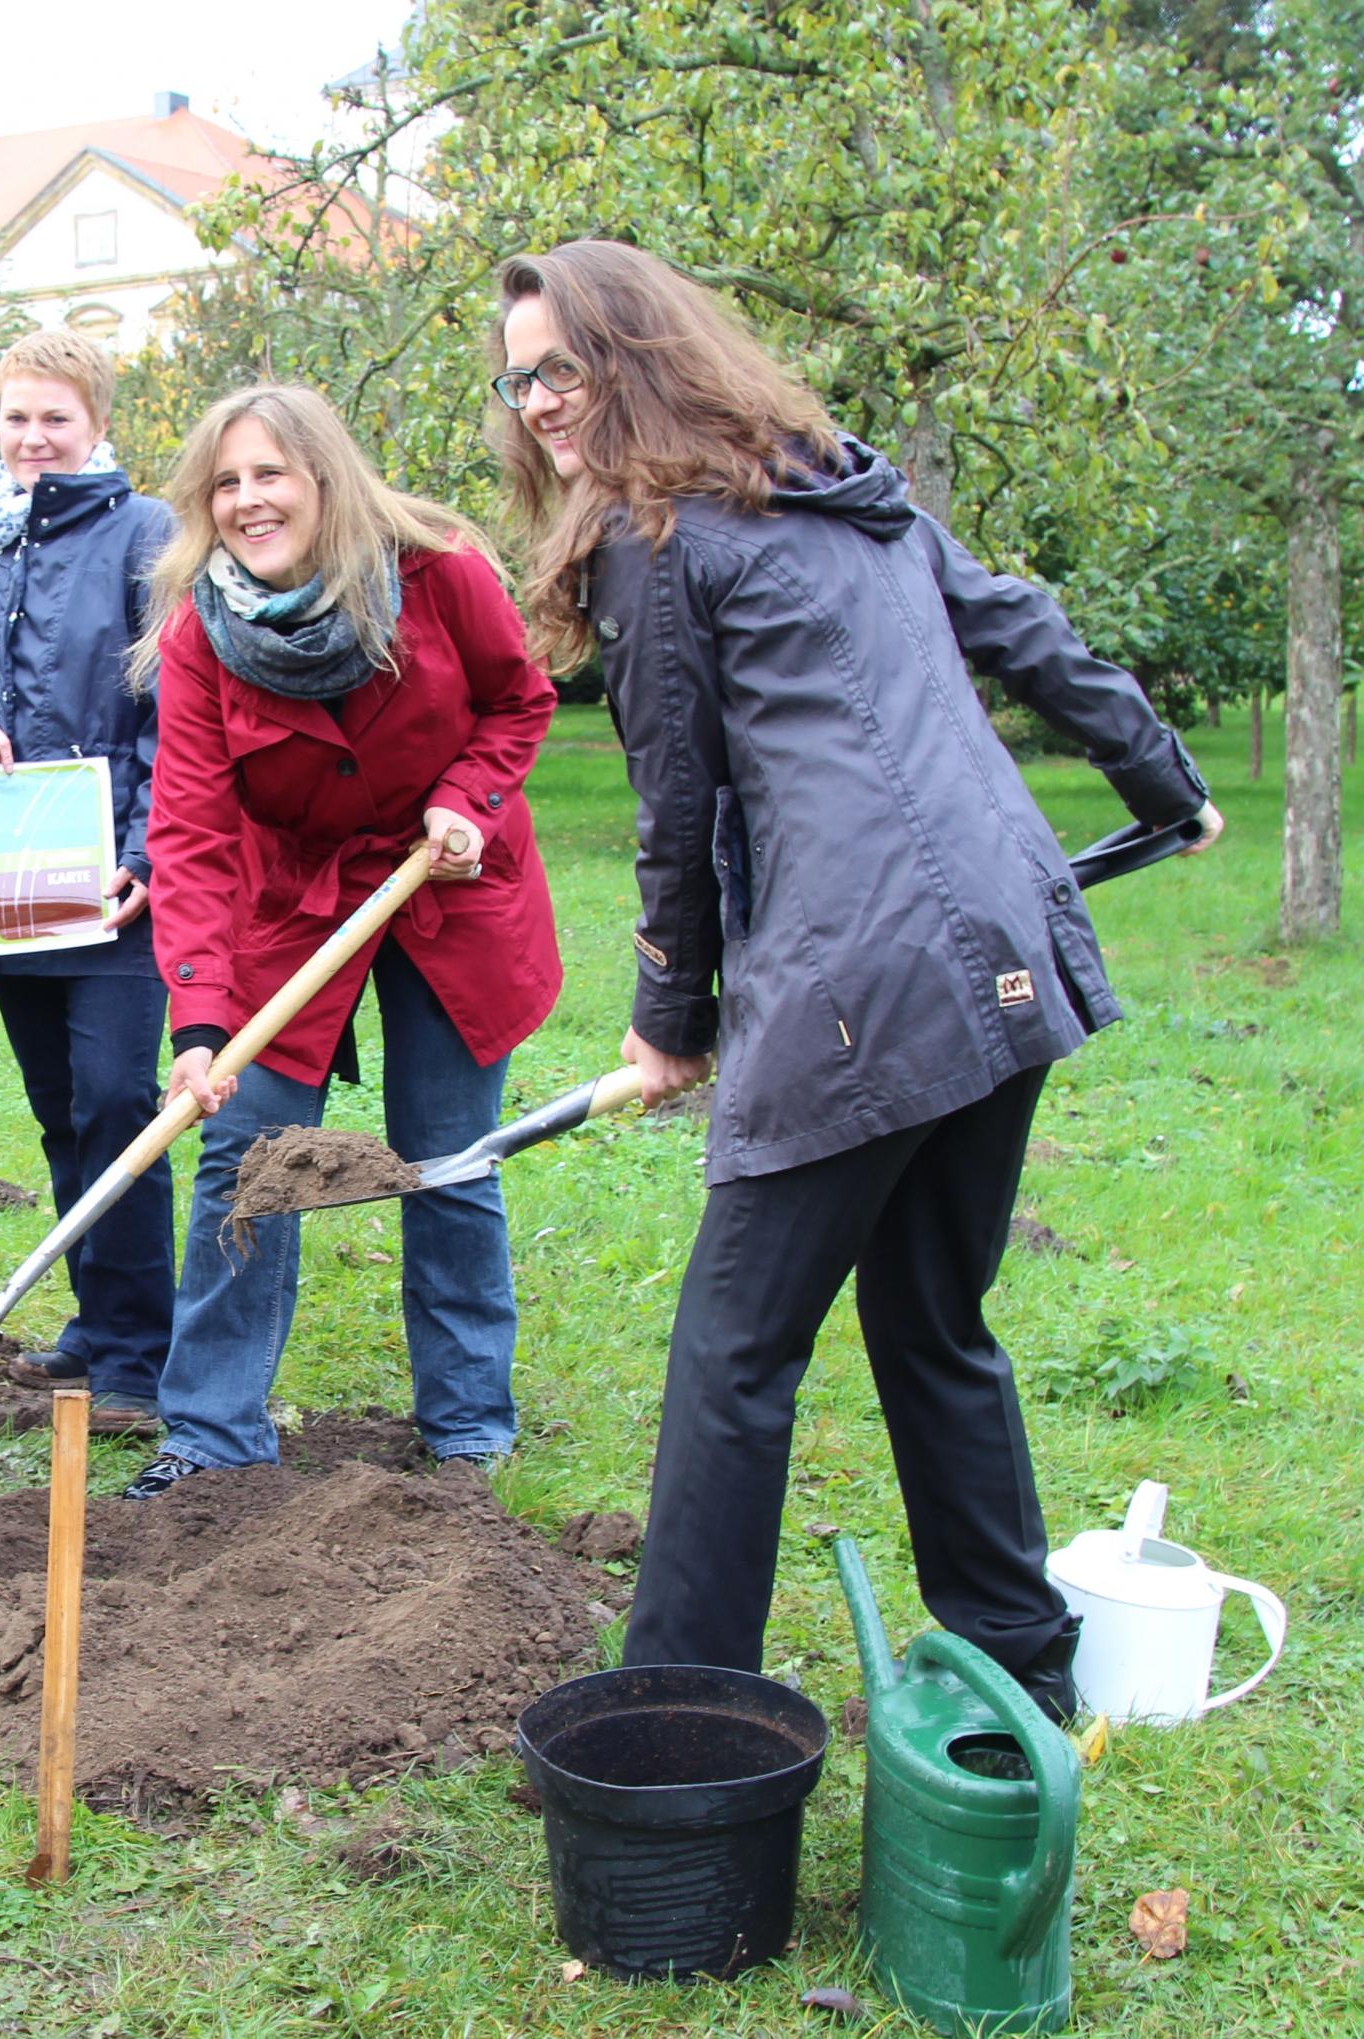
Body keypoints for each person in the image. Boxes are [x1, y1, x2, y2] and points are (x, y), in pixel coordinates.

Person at [494, 239, 1225, 1715]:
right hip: (1002, 947)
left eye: (561, 369)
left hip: (864, 979)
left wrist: (667, 1022)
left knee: (732, 1360)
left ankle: (678, 1723)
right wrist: (1171, 783)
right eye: (517, 383)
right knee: (933, 1315)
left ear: (633, 354)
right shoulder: (831, 485)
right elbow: (1022, 625)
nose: (539, 407)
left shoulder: (663, 534)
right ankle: (1024, 1661)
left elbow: (676, 808)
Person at [120, 384, 564, 1500]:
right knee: (249, 1153)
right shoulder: (198, 634)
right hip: (295, 902)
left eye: (270, 473)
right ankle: (215, 1431)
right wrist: (202, 1021)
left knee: (445, 1155)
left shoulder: (436, 567)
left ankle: (466, 1424)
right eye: (225, 481)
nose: (247, 499)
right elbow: (191, 830)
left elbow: (520, 698)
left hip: (449, 882)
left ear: (324, 476)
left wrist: (466, 796)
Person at [0, 331, 176, 1432]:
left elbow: (178, 710)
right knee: (61, 1109)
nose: (32, 439)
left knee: (119, 1100)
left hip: (111, 880)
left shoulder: (145, 534)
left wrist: (146, 848)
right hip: (14, 877)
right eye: (16, 417)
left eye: (54, 418)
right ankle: (92, 1330)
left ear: (96, 421)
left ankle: (142, 1356)